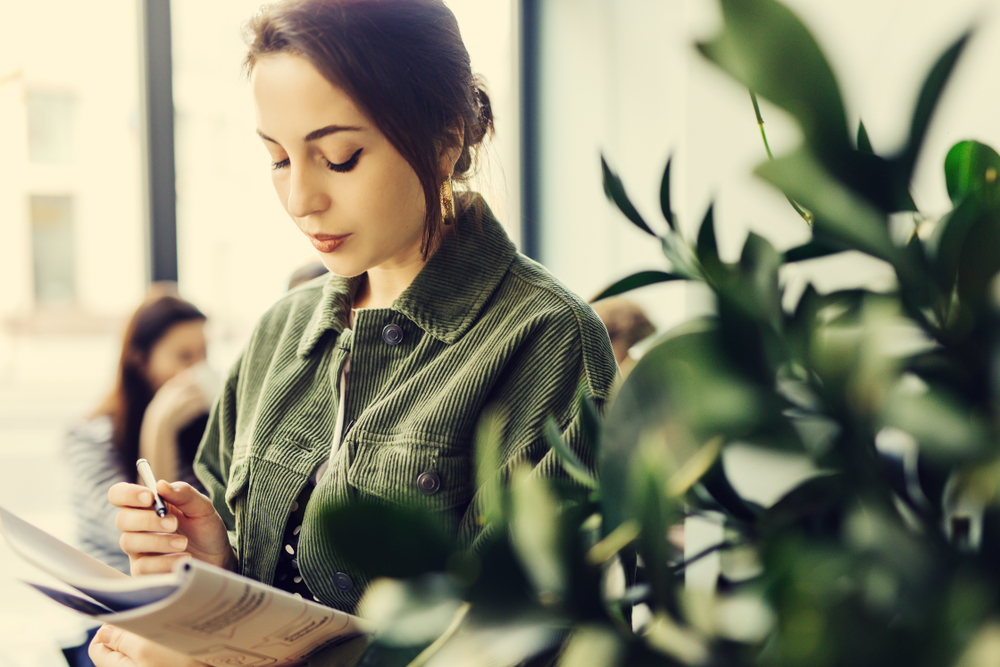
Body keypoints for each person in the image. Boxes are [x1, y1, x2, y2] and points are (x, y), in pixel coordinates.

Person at [91, 0, 618, 663]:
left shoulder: (548, 340)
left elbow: (513, 642)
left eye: (338, 157)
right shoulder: (281, 330)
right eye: (279, 159)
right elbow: (257, 581)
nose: (299, 199)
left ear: (445, 136)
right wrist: (208, 567)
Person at [66, 287, 213, 575]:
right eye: (184, 357)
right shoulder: (90, 438)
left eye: (203, 355)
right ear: (140, 361)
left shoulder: (203, 430)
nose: (197, 370)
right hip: (113, 603)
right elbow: (155, 541)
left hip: (186, 598)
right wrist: (159, 427)